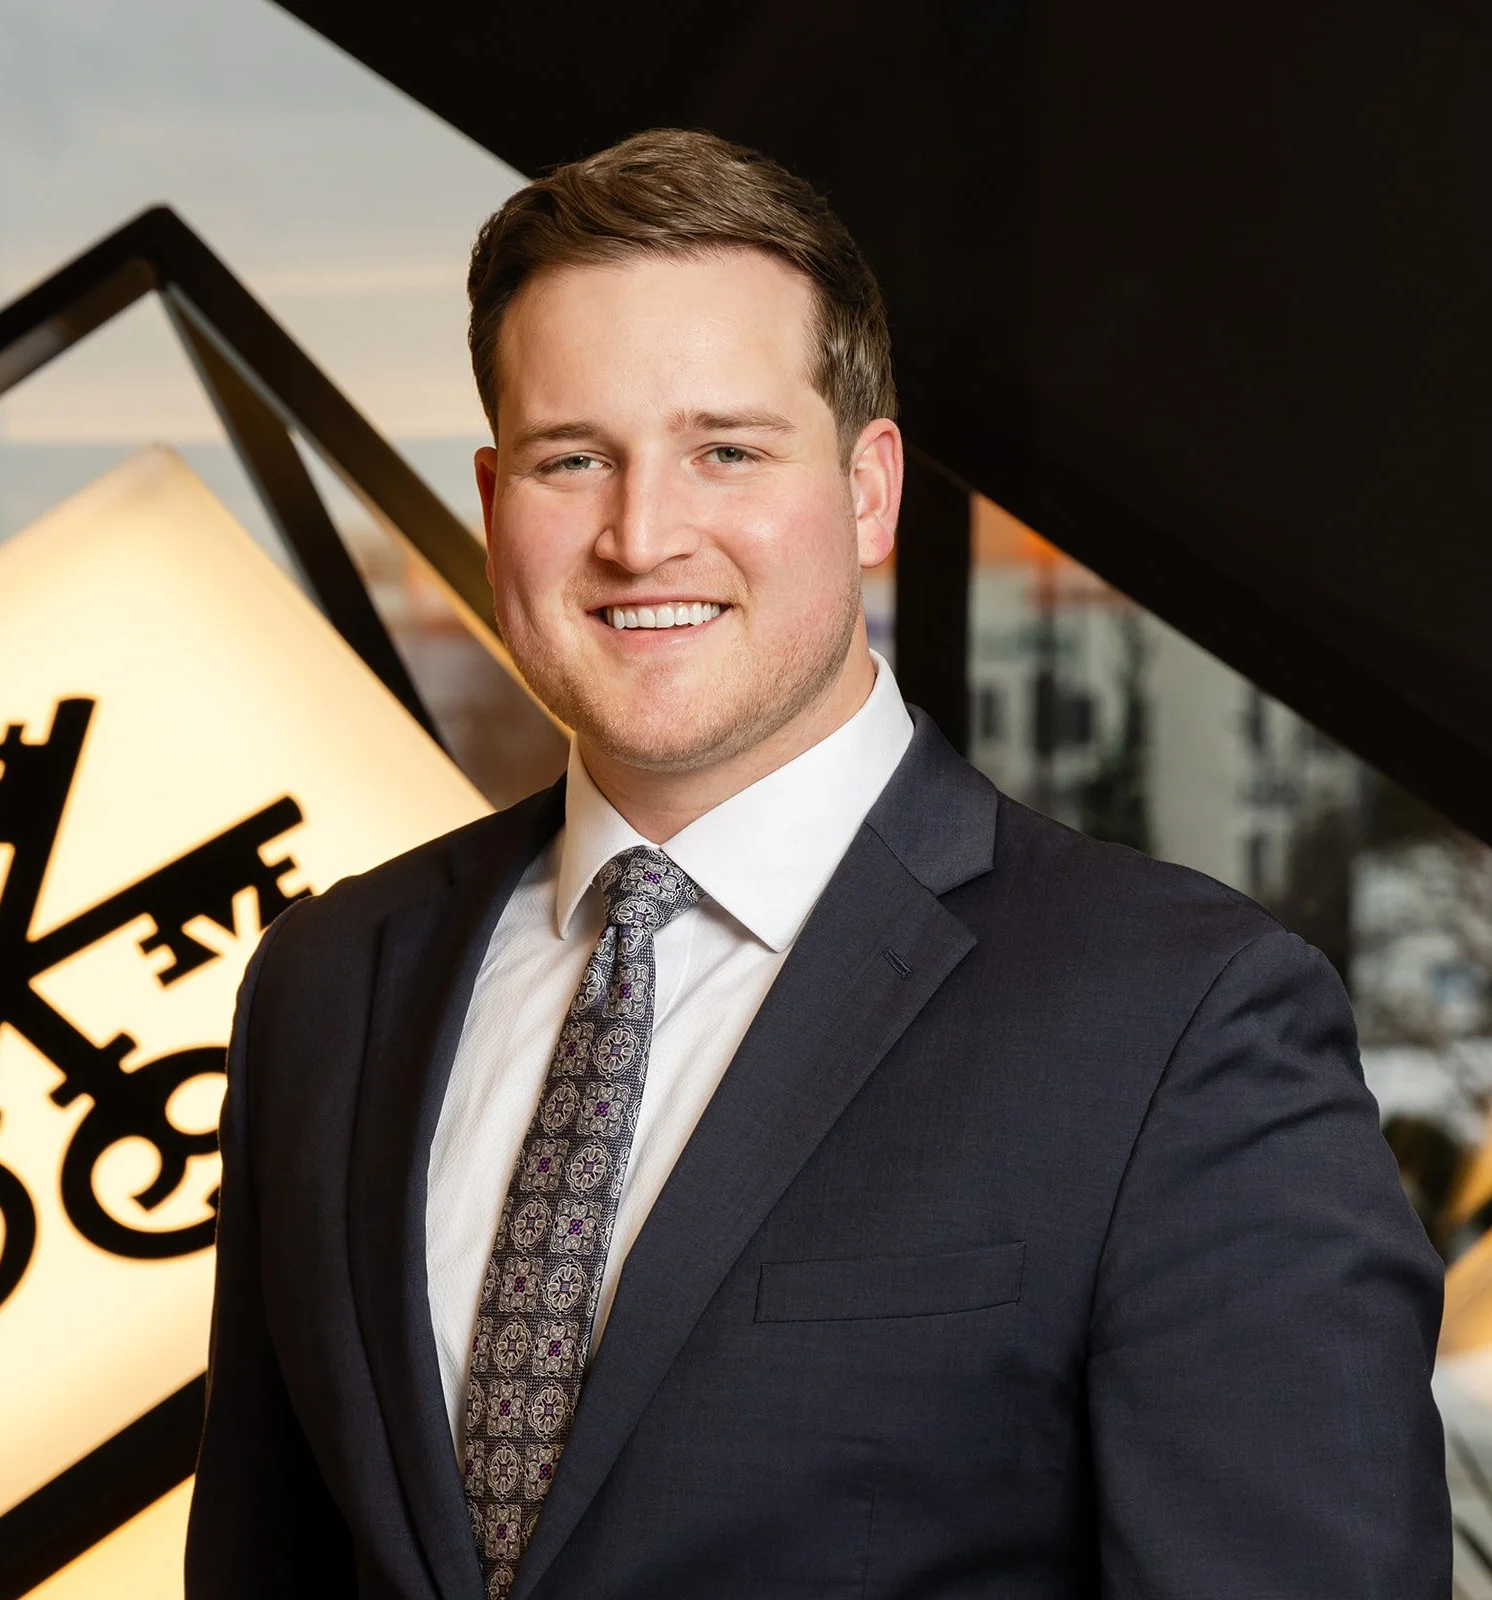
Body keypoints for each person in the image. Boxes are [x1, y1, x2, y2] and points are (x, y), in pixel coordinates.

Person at [185, 129, 1449, 1598]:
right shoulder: (330, 987)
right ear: (491, 502)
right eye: (571, 459)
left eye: (726, 451)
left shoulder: (1177, 1022)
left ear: (868, 490)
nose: (640, 535)